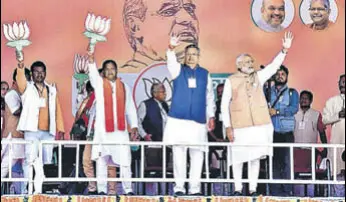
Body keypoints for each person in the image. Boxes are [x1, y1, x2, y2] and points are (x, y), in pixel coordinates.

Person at [221, 32, 294, 196]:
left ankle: (253, 189)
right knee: (238, 159)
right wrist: (228, 126)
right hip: (239, 125)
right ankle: (238, 189)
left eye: (251, 61)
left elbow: (273, 67)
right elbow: (224, 104)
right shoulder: (230, 80)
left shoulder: (258, 77)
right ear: (239, 65)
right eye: (247, 61)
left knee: (255, 158)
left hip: (259, 125)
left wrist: (284, 50)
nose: (251, 63)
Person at [163, 34, 216, 196]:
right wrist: (171, 47)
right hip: (178, 120)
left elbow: (209, 96)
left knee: (197, 155)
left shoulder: (205, 73)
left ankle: (194, 189)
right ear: (184, 56)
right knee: (179, 154)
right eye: (188, 54)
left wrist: (211, 116)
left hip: (198, 121)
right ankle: (179, 188)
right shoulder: (178, 70)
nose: (191, 57)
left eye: (194, 54)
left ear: (199, 56)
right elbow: (170, 60)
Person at [87, 49, 139, 195]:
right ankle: (102, 190)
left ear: (116, 71)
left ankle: (128, 190)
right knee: (102, 160)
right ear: (103, 72)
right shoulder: (99, 84)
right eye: (107, 69)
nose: (110, 71)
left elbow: (130, 108)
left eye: (113, 69)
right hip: (103, 131)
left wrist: (134, 126)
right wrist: (91, 60)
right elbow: (92, 74)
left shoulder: (124, 87)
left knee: (125, 161)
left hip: (120, 131)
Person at [15, 55, 65, 194]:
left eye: (42, 71)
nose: (39, 74)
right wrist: (20, 65)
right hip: (32, 130)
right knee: (29, 160)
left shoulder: (51, 89)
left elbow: (57, 109)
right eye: (36, 71)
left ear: (45, 73)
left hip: (48, 132)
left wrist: (60, 128)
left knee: (46, 161)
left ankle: (42, 189)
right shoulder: (26, 88)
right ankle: (27, 188)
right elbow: (20, 79)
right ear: (31, 73)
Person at [122, 0, 199, 70]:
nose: (187, 19)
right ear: (134, 26)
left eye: (190, 10)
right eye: (168, 12)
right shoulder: (125, 80)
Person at [73, 80, 117, 195]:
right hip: (92, 134)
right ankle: (93, 188)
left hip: (107, 135)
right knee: (86, 160)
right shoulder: (92, 99)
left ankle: (111, 191)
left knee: (109, 163)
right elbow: (80, 114)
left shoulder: (111, 96)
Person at [269, 64, 299, 196]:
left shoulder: (292, 92)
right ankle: (275, 192)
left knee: (287, 163)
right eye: (278, 74)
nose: (280, 77)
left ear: (287, 77)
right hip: (272, 133)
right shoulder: (268, 91)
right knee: (273, 163)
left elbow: (293, 109)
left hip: (286, 133)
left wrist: (277, 111)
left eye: (283, 74)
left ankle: (287, 192)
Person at [1, 68, 31, 194]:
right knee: (7, 165)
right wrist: (31, 103)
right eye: (25, 79)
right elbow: (17, 111)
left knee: (26, 164)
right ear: (16, 79)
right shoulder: (11, 94)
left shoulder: (20, 93)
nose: (27, 82)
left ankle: (25, 192)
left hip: (21, 136)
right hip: (13, 137)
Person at [293, 90, 328, 197]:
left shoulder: (316, 114)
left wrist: (325, 148)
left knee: (313, 174)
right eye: (301, 98)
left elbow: (322, 132)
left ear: (311, 100)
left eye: (306, 98)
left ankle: (313, 196)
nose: (303, 100)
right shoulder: (293, 113)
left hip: (310, 152)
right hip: (295, 151)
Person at [322, 74, 345, 175]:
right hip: (337, 141)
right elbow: (324, 120)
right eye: (342, 81)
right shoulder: (332, 101)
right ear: (338, 84)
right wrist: (337, 115)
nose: (344, 83)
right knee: (337, 171)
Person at [209, 83, 226, 170]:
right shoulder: (214, 107)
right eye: (218, 92)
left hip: (231, 143)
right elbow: (208, 127)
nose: (220, 94)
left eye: (222, 92)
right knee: (216, 170)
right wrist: (216, 139)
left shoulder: (233, 106)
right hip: (216, 143)